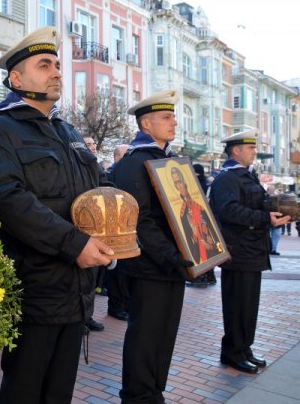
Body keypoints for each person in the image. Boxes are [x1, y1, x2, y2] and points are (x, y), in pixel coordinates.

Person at [0, 26, 114, 404]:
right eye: (44, 64)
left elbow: (96, 192)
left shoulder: (68, 132)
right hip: (33, 289)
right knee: (26, 390)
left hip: (77, 288)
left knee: (59, 391)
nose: (57, 72)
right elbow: (8, 199)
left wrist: (118, 231)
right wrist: (75, 243)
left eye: (58, 65)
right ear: (16, 79)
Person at [113, 90, 193, 403]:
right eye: (166, 117)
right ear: (147, 124)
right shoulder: (136, 162)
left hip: (172, 264)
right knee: (145, 336)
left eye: (173, 116)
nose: (174, 121)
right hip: (150, 265)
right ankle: (137, 395)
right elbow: (139, 221)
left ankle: (154, 391)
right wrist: (175, 256)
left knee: (164, 334)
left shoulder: (166, 161)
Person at [209, 129, 290, 374]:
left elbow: (253, 203)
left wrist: (277, 208)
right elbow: (228, 211)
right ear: (236, 150)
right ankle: (232, 352)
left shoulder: (246, 175)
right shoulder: (228, 178)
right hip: (238, 252)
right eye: (251, 148)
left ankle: (244, 348)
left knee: (249, 305)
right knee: (237, 305)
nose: (255, 152)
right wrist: (265, 218)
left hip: (252, 250)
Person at [81, 135, 106, 333]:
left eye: (93, 145)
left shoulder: (95, 165)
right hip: (81, 228)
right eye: (87, 144)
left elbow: (105, 186)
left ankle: (88, 316)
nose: (92, 148)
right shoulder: (76, 163)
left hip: (96, 227)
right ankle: (80, 319)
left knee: (92, 279)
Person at [105, 144, 130, 321]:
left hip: (125, 228)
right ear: (116, 157)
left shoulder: (127, 171)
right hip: (114, 229)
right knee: (116, 272)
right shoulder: (111, 174)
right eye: (125, 154)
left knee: (124, 272)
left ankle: (123, 304)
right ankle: (115, 306)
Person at [266, 186, 282, 255]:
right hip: (267, 220)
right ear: (268, 190)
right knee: (268, 236)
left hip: (277, 220)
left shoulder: (277, 198)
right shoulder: (264, 198)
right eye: (271, 190)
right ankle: (268, 249)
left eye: (273, 190)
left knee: (276, 235)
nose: (272, 191)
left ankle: (273, 249)